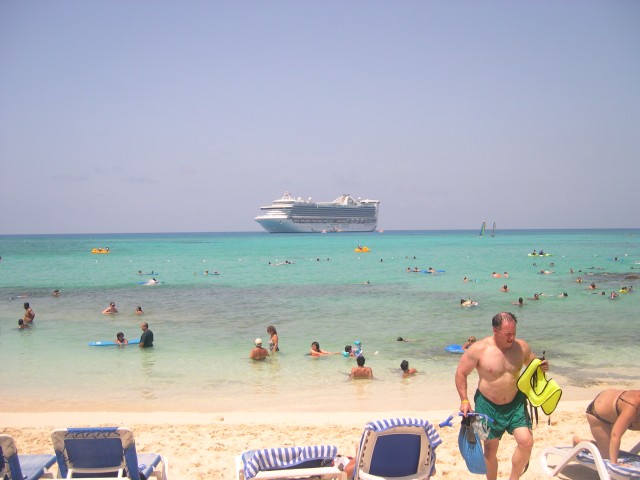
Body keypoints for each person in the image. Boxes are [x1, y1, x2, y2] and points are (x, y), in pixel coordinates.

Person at [455, 312, 549, 480]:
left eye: (514, 333)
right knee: (490, 450)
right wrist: (464, 400)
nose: (512, 338)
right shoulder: (478, 349)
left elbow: (534, 365)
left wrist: (542, 367)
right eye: (507, 334)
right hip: (485, 406)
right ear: (495, 330)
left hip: (515, 404)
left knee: (526, 442)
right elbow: (460, 373)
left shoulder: (521, 347)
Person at [572, 389, 640, 465]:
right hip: (598, 414)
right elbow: (615, 435)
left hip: (613, 407)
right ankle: (579, 442)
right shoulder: (631, 405)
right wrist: (614, 462)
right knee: (606, 455)